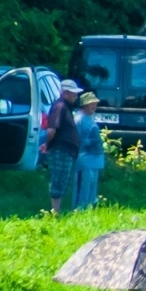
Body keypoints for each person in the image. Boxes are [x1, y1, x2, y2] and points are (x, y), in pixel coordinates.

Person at [44, 80, 82, 214]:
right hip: (60, 150)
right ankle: (55, 212)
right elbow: (51, 130)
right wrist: (48, 145)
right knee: (58, 179)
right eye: (73, 94)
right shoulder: (59, 106)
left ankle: (57, 211)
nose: (76, 97)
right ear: (65, 93)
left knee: (64, 180)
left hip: (66, 151)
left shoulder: (66, 107)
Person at [73, 92, 106, 210]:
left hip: (94, 161)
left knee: (91, 189)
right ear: (85, 104)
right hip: (84, 160)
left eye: (95, 103)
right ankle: (78, 211)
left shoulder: (90, 117)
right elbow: (75, 138)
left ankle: (88, 210)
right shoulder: (79, 119)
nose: (94, 106)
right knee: (83, 187)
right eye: (92, 103)